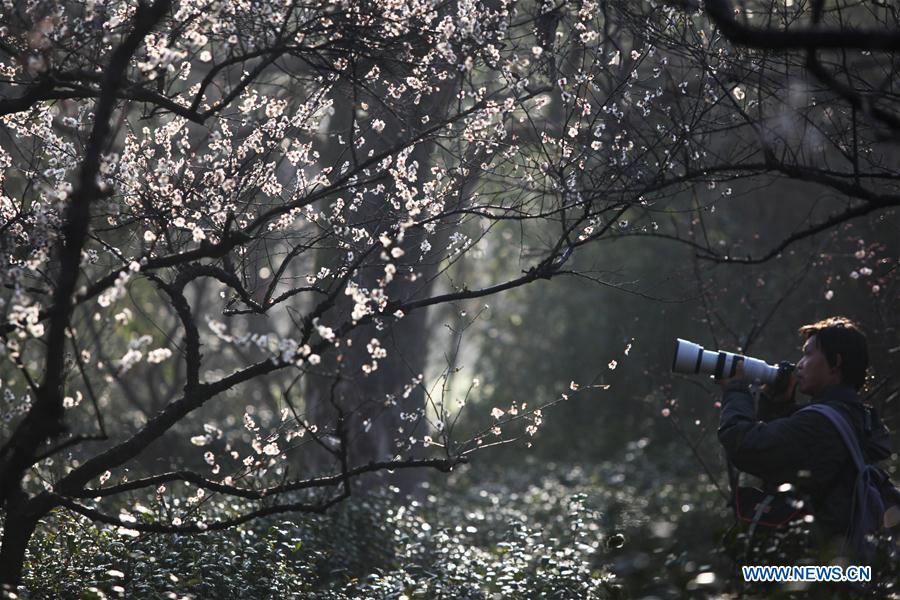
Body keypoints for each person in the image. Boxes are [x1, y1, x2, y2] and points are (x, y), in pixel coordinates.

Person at [716, 317, 892, 570]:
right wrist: (778, 406)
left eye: (808, 354)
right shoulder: (855, 416)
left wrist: (735, 389)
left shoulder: (820, 424)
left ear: (836, 363)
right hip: (842, 563)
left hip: (814, 569)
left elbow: (744, 444)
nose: (799, 365)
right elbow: (791, 461)